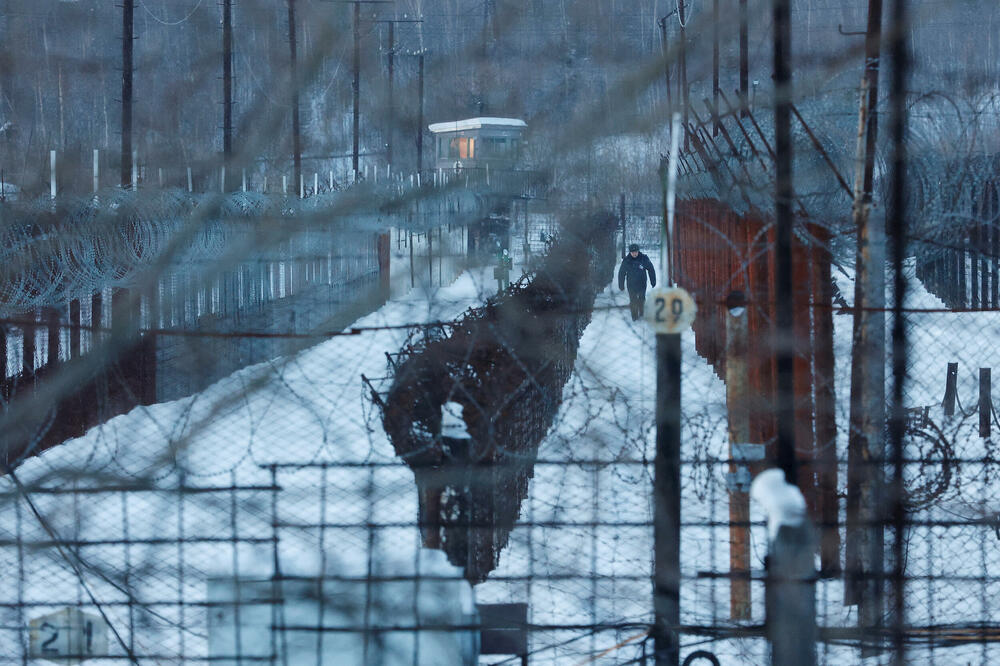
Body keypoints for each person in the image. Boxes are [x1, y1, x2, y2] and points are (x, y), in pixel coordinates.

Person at [618, 243, 656, 321]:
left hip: (642, 283)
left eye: (636, 252)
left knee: (642, 298)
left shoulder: (643, 258)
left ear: (638, 251)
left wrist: (653, 281)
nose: (634, 254)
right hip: (631, 284)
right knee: (633, 300)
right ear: (630, 252)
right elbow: (621, 273)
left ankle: (642, 312)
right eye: (632, 252)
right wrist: (621, 285)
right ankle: (634, 316)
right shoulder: (627, 260)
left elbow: (651, 269)